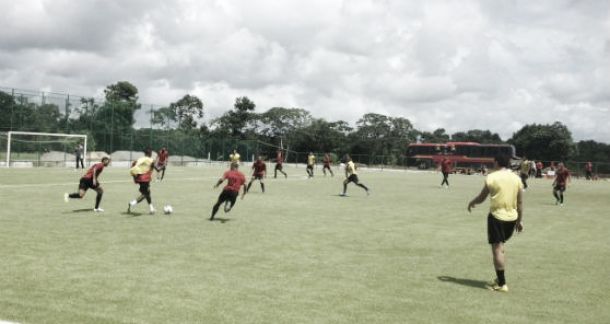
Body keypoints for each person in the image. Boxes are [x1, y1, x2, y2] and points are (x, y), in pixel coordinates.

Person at [467, 154, 524, 292]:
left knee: (497, 249)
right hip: (512, 218)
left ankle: (502, 283)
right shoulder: (517, 178)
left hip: (497, 217)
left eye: (494, 162)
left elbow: (481, 198)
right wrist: (520, 220)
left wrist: (472, 202)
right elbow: (520, 203)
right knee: (501, 247)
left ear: (497, 162)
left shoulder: (492, 177)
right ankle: (499, 279)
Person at [127, 148, 159, 214]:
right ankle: (132, 203)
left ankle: (151, 209)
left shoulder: (141, 159)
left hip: (139, 178)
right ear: (150, 153)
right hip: (145, 178)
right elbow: (157, 169)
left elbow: (133, 165)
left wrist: (135, 176)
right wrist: (163, 166)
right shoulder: (151, 160)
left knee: (147, 192)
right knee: (145, 194)